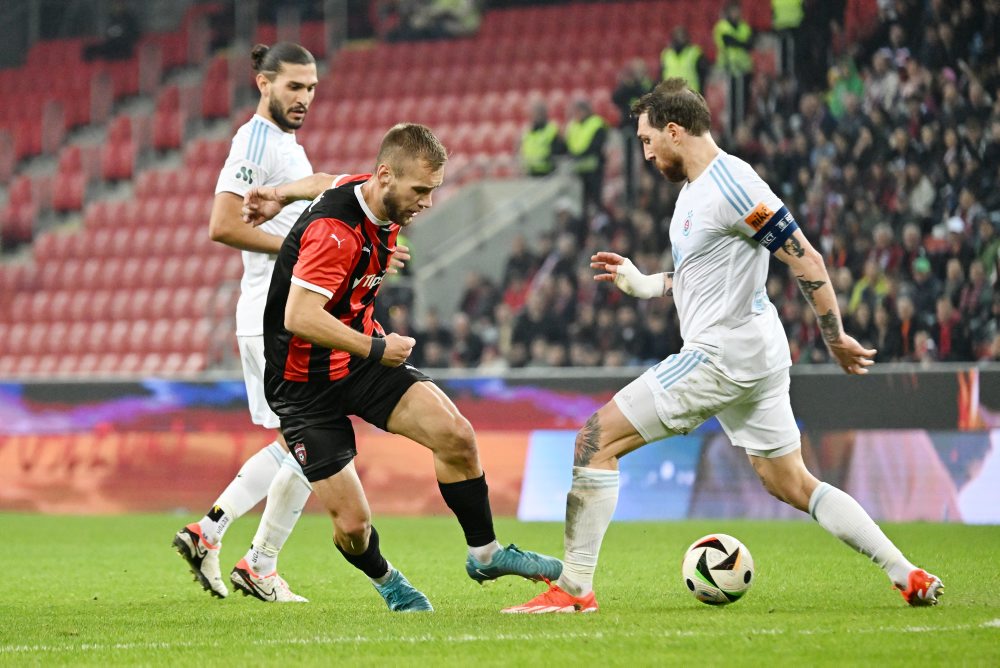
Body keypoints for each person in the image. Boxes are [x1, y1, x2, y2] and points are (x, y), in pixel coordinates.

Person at [504, 79, 942, 614]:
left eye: (647, 141)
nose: (645, 153)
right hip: (755, 354)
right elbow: (704, 275)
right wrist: (646, 283)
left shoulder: (733, 185)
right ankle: (908, 573)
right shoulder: (694, 191)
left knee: (596, 438)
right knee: (791, 482)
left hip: (720, 357)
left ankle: (574, 589)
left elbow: (805, 259)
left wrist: (835, 337)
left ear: (674, 131)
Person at [240, 123, 562, 611]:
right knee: (352, 528)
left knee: (455, 434)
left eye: (432, 191)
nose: (427, 203)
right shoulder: (334, 233)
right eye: (420, 191)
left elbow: (324, 179)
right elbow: (299, 316)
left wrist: (278, 197)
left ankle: (487, 553)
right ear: (386, 176)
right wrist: (375, 348)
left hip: (358, 362)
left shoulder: (368, 191)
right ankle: (389, 580)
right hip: (305, 385)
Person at [172, 42, 361, 603]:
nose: (304, 98)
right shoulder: (254, 141)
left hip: (276, 314)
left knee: (299, 437)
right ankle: (255, 561)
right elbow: (223, 224)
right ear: (263, 83)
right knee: (316, 436)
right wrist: (297, 254)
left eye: (310, 88)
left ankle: (213, 532)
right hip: (273, 315)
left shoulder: (281, 144)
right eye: (293, 87)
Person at [519, 99, 565, 177]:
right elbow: (522, 148)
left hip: (547, 172)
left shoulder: (552, 129)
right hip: (531, 171)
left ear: (545, 114)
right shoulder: (528, 130)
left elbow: (559, 150)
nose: (537, 116)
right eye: (535, 113)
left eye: (539, 113)